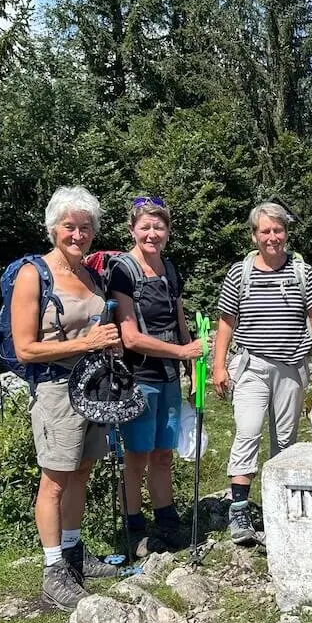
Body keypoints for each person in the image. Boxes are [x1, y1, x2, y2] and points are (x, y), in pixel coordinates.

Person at [10, 186, 124, 609]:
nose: (78, 235)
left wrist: (107, 344)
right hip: (56, 390)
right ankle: (53, 571)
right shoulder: (34, 275)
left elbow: (94, 328)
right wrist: (86, 343)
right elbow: (25, 348)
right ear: (53, 228)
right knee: (55, 479)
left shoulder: (90, 274)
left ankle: (74, 553)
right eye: (69, 226)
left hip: (92, 386)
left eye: (86, 227)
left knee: (82, 470)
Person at [212, 200, 312, 546]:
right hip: (252, 365)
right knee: (247, 432)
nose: (272, 237)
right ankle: (239, 510)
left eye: (278, 230)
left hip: (292, 366)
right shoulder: (240, 273)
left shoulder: (302, 272)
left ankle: (280, 508)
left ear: (286, 233)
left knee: (286, 442)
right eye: (265, 231)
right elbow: (226, 321)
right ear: (254, 235)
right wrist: (219, 365)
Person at [108, 197, 203, 555]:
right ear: (132, 229)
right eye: (145, 227)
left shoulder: (169, 269)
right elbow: (130, 337)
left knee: (163, 453)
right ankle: (134, 530)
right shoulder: (123, 271)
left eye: (159, 227)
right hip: (137, 376)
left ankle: (167, 522)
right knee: (136, 456)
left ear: (168, 231)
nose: (152, 234)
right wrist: (182, 354)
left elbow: (180, 323)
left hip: (168, 376)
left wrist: (191, 369)